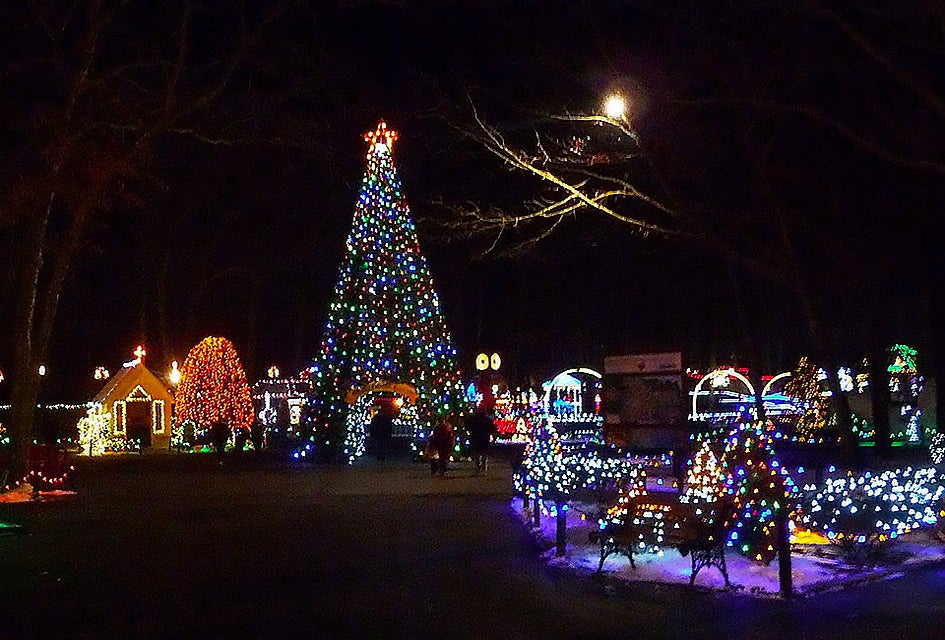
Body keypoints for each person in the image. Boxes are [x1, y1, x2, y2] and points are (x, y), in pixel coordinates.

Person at [466, 408, 497, 474]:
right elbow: (492, 429)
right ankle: (483, 466)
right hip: (484, 438)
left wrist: (470, 433)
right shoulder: (487, 420)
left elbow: (468, 426)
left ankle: (478, 466)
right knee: (484, 453)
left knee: (477, 452)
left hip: (476, 437)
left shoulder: (473, 419)